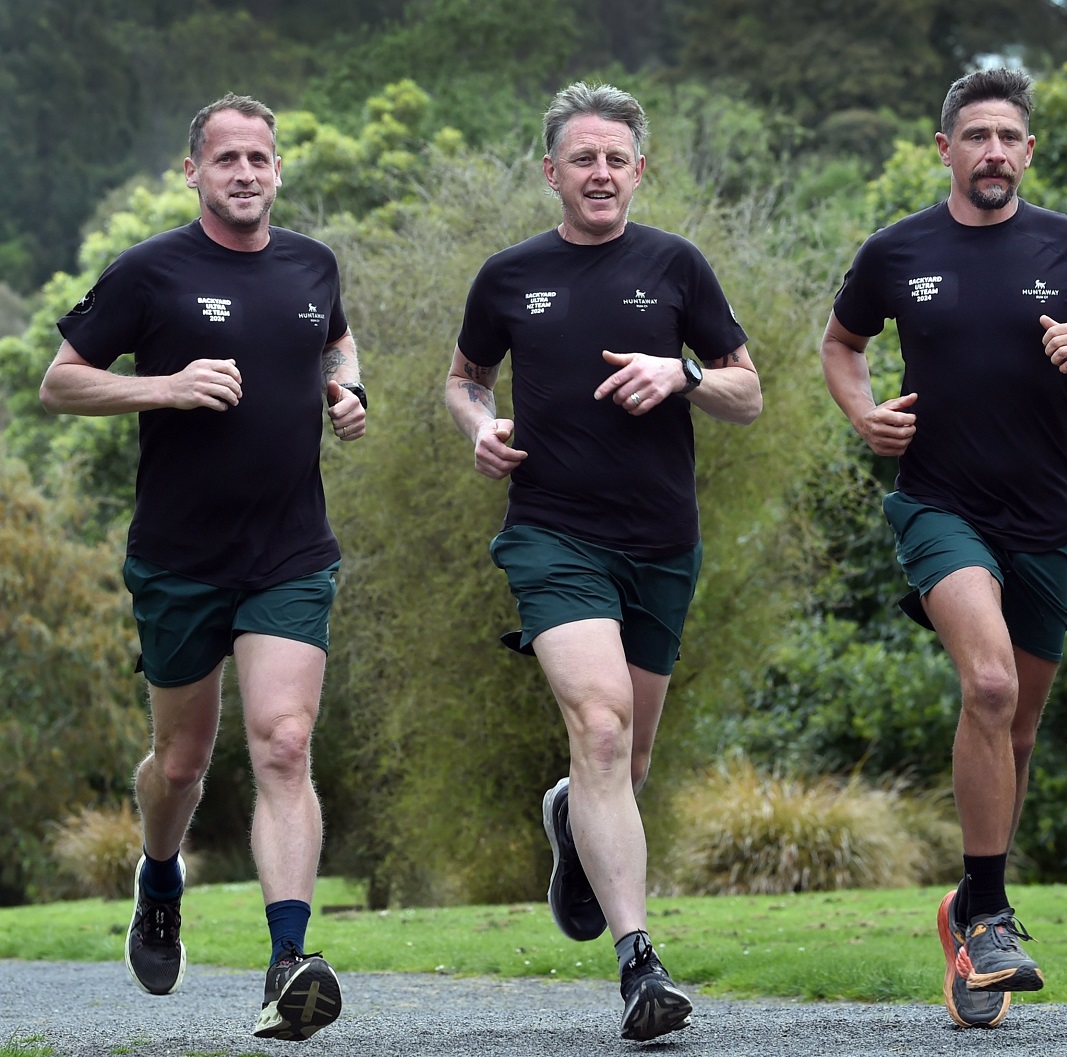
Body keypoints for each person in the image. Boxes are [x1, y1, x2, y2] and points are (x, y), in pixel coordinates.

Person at [819, 68, 1067, 1030]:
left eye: (1008, 137)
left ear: (1029, 150)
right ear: (943, 149)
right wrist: (864, 415)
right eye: (974, 135)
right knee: (988, 689)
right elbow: (840, 343)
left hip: (1044, 518)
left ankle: (965, 913)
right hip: (939, 505)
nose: (992, 152)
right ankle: (990, 913)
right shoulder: (897, 250)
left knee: (1017, 730)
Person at [39, 93, 365, 1040]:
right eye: (226, 159)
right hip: (180, 559)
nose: (246, 173)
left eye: (259, 158)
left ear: (277, 168)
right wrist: (166, 386)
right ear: (194, 171)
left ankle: (289, 958)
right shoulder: (149, 271)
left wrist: (347, 389)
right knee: (180, 764)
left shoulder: (313, 263)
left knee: (283, 741)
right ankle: (159, 872)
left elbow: (335, 338)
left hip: (290, 552)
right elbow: (60, 381)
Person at [444, 81, 761, 1043]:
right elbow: (463, 379)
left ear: (638, 169)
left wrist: (685, 372)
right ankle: (639, 964)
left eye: (616, 158)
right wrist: (478, 426)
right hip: (552, 533)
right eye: (583, 158)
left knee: (629, 756)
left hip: (662, 540)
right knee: (601, 721)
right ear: (552, 171)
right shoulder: (509, 275)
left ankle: (571, 817)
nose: (600, 173)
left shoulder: (676, 266)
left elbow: (748, 392)